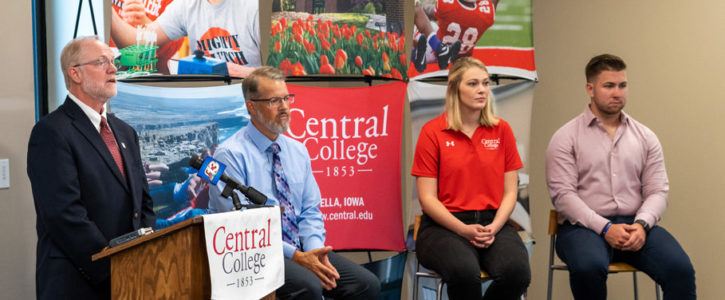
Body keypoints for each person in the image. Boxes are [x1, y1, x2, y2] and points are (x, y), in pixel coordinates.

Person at [208, 66, 380, 299]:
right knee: (308, 286)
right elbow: (240, 227)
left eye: (287, 98)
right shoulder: (228, 155)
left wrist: (314, 252)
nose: (285, 107)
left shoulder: (297, 151)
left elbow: (310, 209)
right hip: (253, 254)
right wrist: (296, 257)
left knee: (366, 284)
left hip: (300, 249)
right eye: (274, 101)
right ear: (251, 106)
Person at [545, 54, 696, 299]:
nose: (617, 93)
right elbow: (563, 197)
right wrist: (605, 228)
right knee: (588, 268)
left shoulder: (645, 136)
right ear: (590, 89)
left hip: (635, 225)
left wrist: (642, 225)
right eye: (609, 86)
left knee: (680, 269)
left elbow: (658, 190)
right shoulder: (566, 138)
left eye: (622, 85)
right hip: (584, 228)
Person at [27, 37, 155, 299]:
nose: (113, 69)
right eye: (101, 62)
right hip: (79, 281)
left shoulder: (125, 131)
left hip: (131, 278)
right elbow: (65, 215)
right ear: (75, 73)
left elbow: (143, 203)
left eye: (113, 61)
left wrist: (145, 256)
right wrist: (113, 266)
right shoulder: (51, 132)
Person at [412, 56, 530, 299]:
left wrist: (495, 227)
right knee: (464, 272)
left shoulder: (502, 130)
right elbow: (427, 198)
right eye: (473, 84)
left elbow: (510, 192)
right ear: (455, 89)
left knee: (517, 273)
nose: (482, 90)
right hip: (444, 226)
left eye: (486, 83)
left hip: (492, 223)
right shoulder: (432, 132)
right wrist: (464, 230)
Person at [111, 0, 260, 77]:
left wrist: (231, 72)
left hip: (256, 106)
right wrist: (108, 11)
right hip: (209, 104)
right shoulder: (185, 5)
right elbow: (137, 43)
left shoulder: (256, 7)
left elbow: (279, 76)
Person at [412, 0, 498, 72]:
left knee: (414, 9)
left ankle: (434, 48)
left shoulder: (447, 5)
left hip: (432, 55)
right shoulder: (487, 14)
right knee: (433, 26)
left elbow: (424, 11)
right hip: (460, 62)